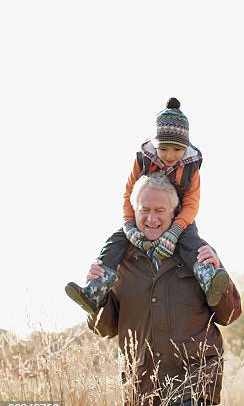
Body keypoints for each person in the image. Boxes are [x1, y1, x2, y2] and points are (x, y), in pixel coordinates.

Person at [86, 171, 241, 406]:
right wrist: (97, 295)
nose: (151, 218)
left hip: (190, 377)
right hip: (140, 384)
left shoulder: (197, 254)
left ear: (174, 212)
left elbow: (230, 314)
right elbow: (106, 328)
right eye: (144, 209)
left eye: (160, 210)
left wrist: (219, 272)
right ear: (133, 211)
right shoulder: (119, 262)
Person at [65, 97, 229, 315]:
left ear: (186, 147)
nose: (170, 156)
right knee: (114, 243)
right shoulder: (143, 160)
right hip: (139, 219)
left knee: (193, 245)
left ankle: (208, 278)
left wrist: (175, 231)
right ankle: (95, 289)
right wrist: (129, 225)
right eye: (164, 149)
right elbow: (128, 194)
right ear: (156, 144)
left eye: (177, 150)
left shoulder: (191, 168)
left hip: (180, 219)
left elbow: (192, 204)